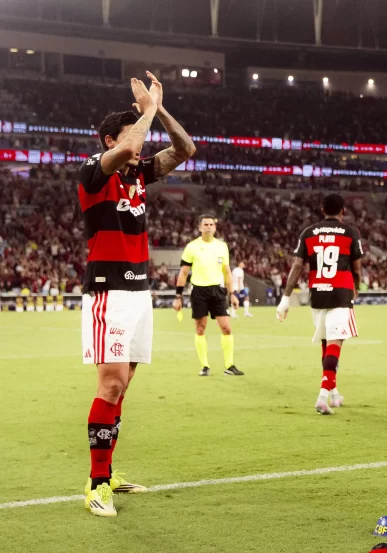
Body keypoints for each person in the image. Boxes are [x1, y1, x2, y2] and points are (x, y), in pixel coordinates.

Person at [79, 72, 196, 517]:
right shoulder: (94, 169)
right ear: (110, 139)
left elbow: (185, 150)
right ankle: (96, 485)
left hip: (139, 291)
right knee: (110, 384)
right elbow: (128, 148)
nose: (142, 145)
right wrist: (144, 111)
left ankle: (108, 473)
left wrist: (160, 110)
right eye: (133, 133)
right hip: (108, 291)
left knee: (123, 386)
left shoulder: (140, 174)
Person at [277, 194, 364, 414]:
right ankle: (323, 395)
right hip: (341, 293)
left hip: (318, 293)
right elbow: (357, 269)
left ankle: (333, 392)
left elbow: (297, 266)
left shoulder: (308, 233)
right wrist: (358, 288)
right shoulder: (350, 233)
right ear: (343, 211)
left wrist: (286, 298)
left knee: (327, 342)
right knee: (335, 343)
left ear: (321, 209)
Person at [174, 215, 242, 377]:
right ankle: (205, 366)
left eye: (211, 224)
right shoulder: (192, 247)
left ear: (215, 227)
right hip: (199, 291)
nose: (209, 227)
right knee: (200, 328)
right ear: (200, 227)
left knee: (226, 327)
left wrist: (232, 294)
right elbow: (184, 273)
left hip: (217, 291)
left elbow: (226, 272)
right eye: (205, 224)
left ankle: (229, 365)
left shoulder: (222, 246)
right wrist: (178, 296)